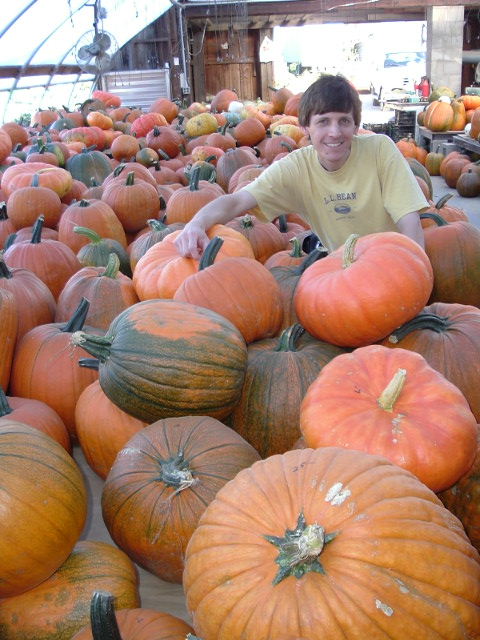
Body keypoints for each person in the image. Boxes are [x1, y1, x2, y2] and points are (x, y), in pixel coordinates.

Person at [174, 74, 428, 259]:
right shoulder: (297, 168)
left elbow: (409, 222)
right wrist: (196, 224)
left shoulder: (380, 150)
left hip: (394, 262)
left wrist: (415, 271)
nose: (334, 132)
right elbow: (237, 201)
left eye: (344, 121)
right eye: (323, 122)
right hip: (346, 274)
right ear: (305, 127)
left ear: (355, 125)